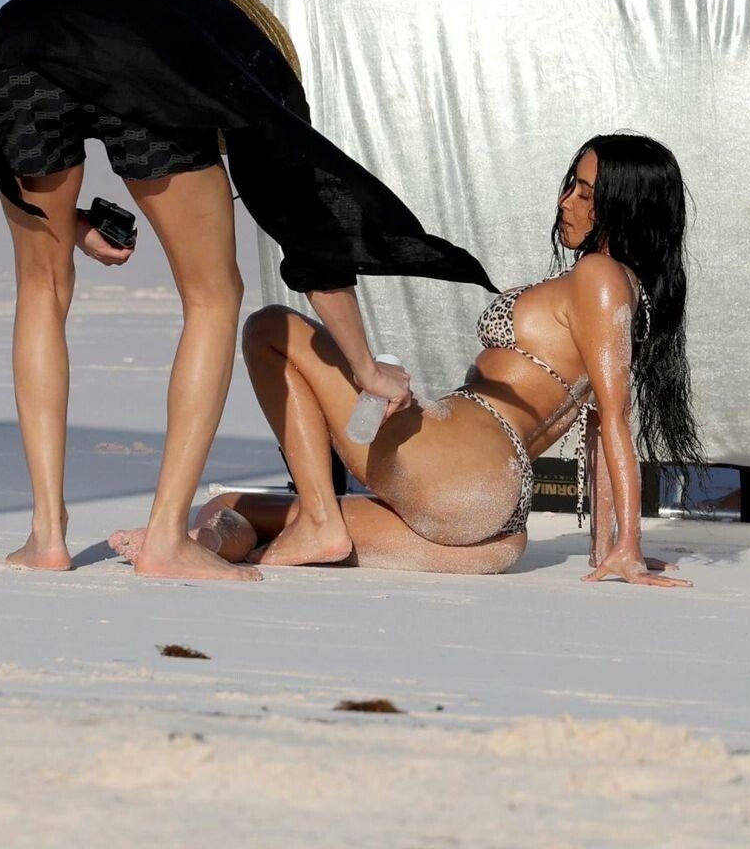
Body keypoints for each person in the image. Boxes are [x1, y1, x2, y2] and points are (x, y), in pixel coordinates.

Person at [0, 0, 493, 583]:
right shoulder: (237, 62)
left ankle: (46, 537)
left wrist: (72, 223)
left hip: (10, 58)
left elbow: (58, 102)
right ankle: (165, 540)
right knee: (213, 295)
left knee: (42, 289)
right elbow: (308, 223)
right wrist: (365, 367)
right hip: (142, 63)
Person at [114, 134, 702, 587]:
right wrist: (609, 546)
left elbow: (614, 418)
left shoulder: (599, 277)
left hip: (457, 467)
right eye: (570, 185)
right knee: (230, 508)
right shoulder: (615, 291)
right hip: (491, 527)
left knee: (269, 328)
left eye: (586, 193)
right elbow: (599, 424)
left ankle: (317, 517)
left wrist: (627, 547)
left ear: (626, 206)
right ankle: (217, 541)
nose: (565, 201)